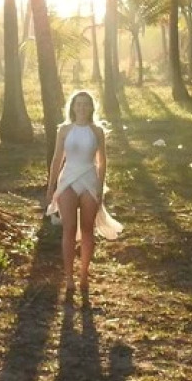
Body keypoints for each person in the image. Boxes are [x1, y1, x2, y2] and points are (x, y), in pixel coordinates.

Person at [44, 89, 123, 302]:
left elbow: (102, 161)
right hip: (68, 179)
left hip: (89, 178)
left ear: (91, 108)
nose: (81, 107)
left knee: (88, 229)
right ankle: (69, 277)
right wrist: (51, 186)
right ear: (72, 107)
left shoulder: (97, 131)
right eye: (78, 104)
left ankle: (84, 274)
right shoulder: (64, 130)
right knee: (69, 228)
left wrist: (100, 186)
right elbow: (57, 159)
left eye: (85, 104)